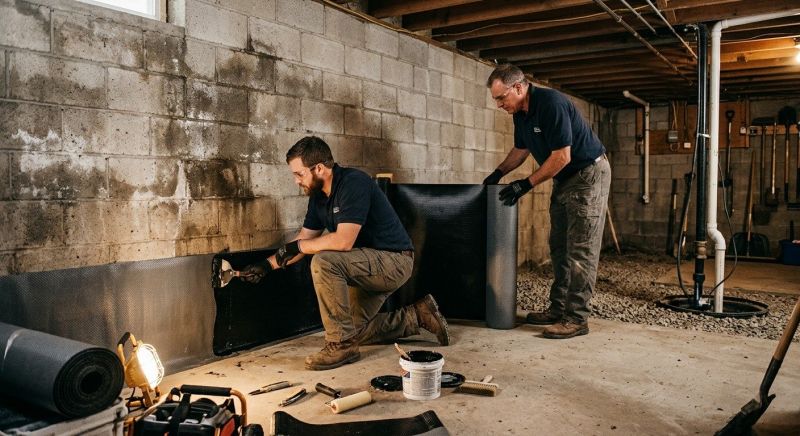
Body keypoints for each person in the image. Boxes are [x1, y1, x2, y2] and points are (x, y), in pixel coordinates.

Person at [242, 136, 450, 370]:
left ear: (319, 168)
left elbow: (343, 241)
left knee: (324, 262)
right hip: (364, 266)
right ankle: (418, 316)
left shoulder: (353, 183)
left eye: (299, 174)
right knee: (350, 329)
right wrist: (267, 264)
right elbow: (303, 239)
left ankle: (341, 347)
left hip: (394, 262)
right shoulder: (318, 198)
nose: (296, 181)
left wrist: (298, 248)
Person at [483, 64, 611, 339]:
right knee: (559, 246)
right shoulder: (521, 113)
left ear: (518, 88)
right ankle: (558, 308)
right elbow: (521, 148)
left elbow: (562, 156)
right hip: (564, 179)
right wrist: (498, 173)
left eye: (500, 98)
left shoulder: (550, 103)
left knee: (580, 249)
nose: (499, 104)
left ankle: (576, 319)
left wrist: (525, 184)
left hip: (587, 175)